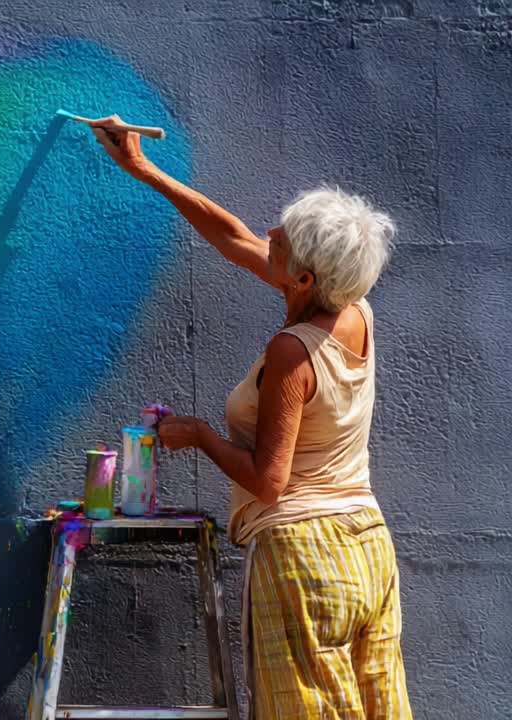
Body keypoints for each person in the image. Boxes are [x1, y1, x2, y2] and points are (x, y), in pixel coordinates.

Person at [89, 116, 412, 719]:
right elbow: (233, 236)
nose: (269, 236)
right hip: (368, 551)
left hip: (304, 558)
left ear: (304, 278)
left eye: (282, 241)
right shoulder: (354, 310)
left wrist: (201, 436)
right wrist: (143, 168)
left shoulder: (293, 352)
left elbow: (269, 482)